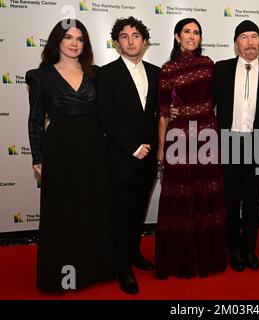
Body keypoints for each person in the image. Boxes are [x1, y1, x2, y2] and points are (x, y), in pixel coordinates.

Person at [26, 19, 114, 292]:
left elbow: (109, 114)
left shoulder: (96, 74)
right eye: (68, 37)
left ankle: (93, 270)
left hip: (93, 147)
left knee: (91, 206)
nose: (74, 43)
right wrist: (37, 157)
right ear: (58, 42)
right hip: (60, 148)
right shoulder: (40, 76)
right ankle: (64, 277)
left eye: (80, 38)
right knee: (63, 210)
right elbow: (35, 119)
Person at [155, 18, 228, 279]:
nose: (192, 36)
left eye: (197, 32)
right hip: (179, 138)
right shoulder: (167, 69)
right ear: (177, 36)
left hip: (208, 135)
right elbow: (164, 112)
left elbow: (229, 84)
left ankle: (207, 258)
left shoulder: (208, 65)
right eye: (187, 31)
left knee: (205, 196)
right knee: (182, 197)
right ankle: (182, 261)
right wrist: (162, 147)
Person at [97, 16, 159, 294]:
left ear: (145, 41)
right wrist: (133, 146)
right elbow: (105, 118)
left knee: (138, 210)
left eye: (136, 35)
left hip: (147, 158)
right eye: (124, 36)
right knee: (121, 212)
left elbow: (162, 113)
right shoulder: (107, 74)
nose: (131, 40)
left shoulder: (157, 72)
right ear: (116, 41)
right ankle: (122, 266)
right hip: (122, 156)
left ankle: (134, 253)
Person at [214, 20, 259, 272]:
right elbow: (201, 99)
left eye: (254, 36)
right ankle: (233, 251)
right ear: (236, 43)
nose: (250, 42)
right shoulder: (221, 70)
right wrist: (173, 106)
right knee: (230, 201)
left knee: (253, 202)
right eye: (244, 37)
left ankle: (249, 249)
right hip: (229, 141)